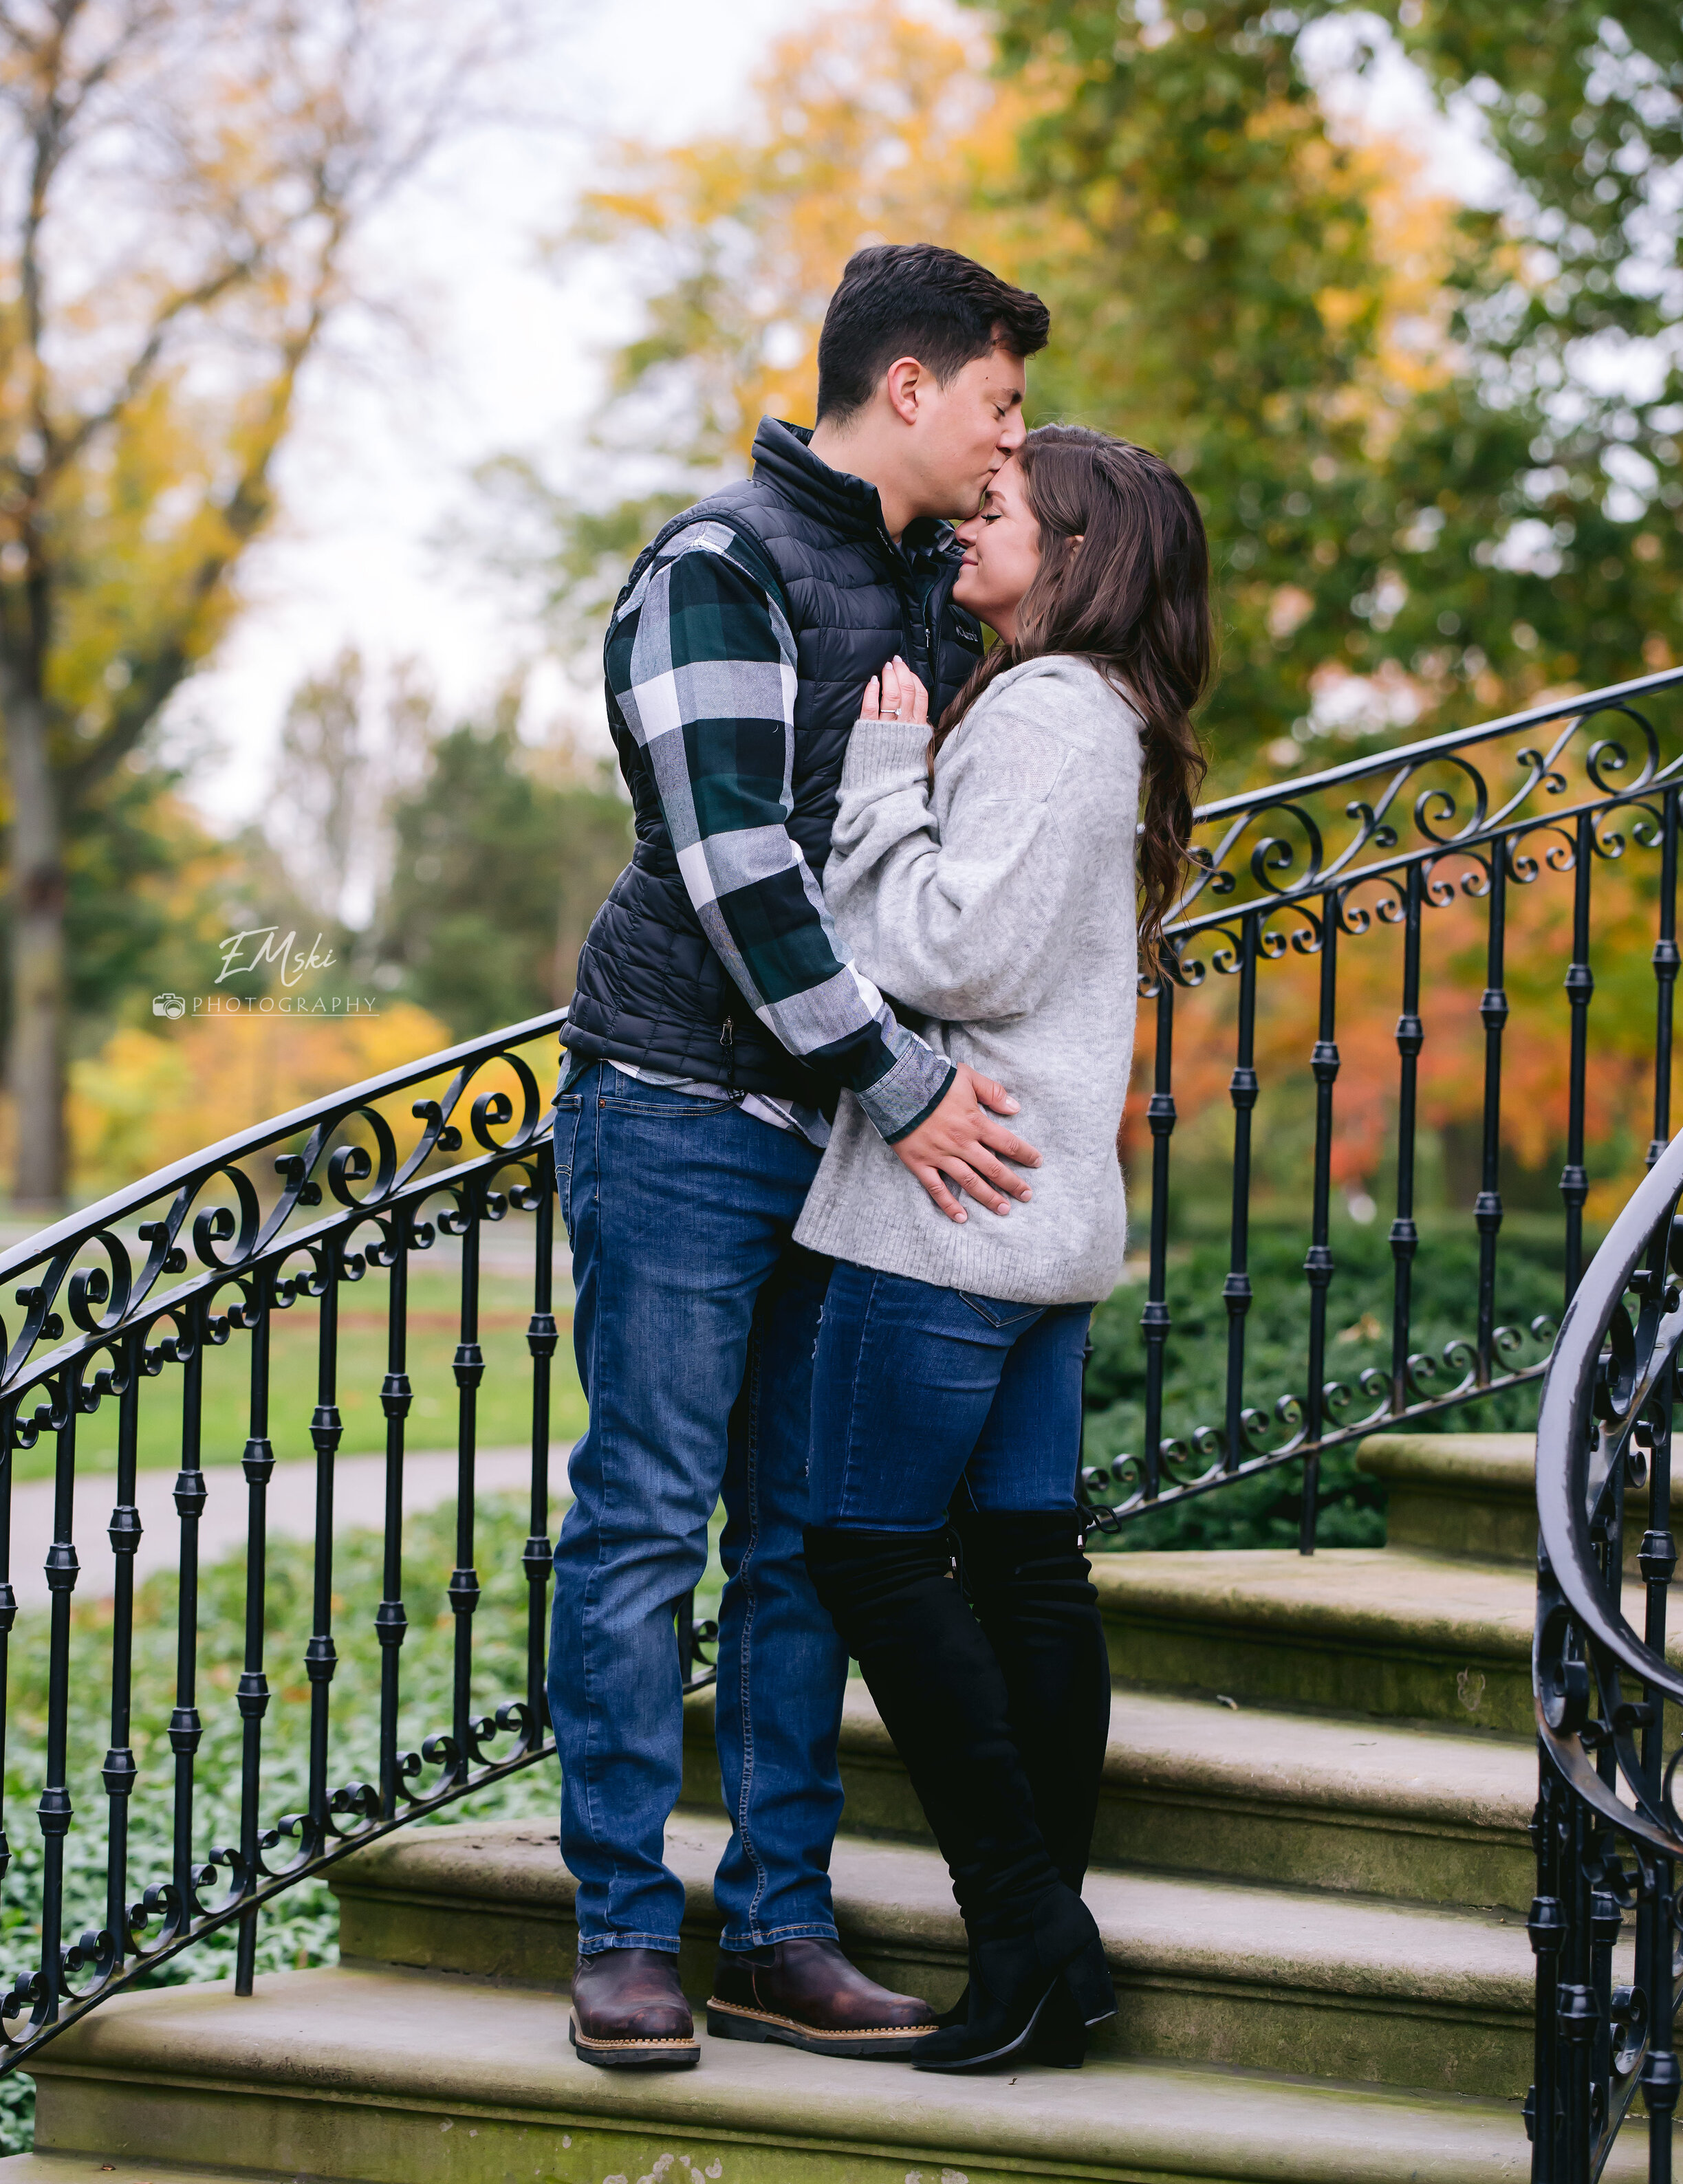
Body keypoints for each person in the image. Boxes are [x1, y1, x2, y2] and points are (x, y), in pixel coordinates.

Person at [548, 243, 1053, 2071]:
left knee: (791, 1548)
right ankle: (620, 1932)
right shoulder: (722, 564)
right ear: (906, 388)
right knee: (642, 1525)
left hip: (830, 1134)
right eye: (996, 401)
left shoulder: (919, 580)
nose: (1014, 436)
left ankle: (772, 1930)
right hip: (681, 1106)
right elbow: (739, 874)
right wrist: (912, 1089)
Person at [794, 424, 1213, 2073]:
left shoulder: (1047, 711)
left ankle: (1027, 1921)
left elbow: (950, 950)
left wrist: (882, 791)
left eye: (1001, 511)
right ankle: (1046, 1950)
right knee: (1027, 1567)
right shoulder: (1099, 716)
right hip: (1033, 1220)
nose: (974, 523)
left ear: (1081, 550)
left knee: (867, 1555)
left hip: (951, 1213)